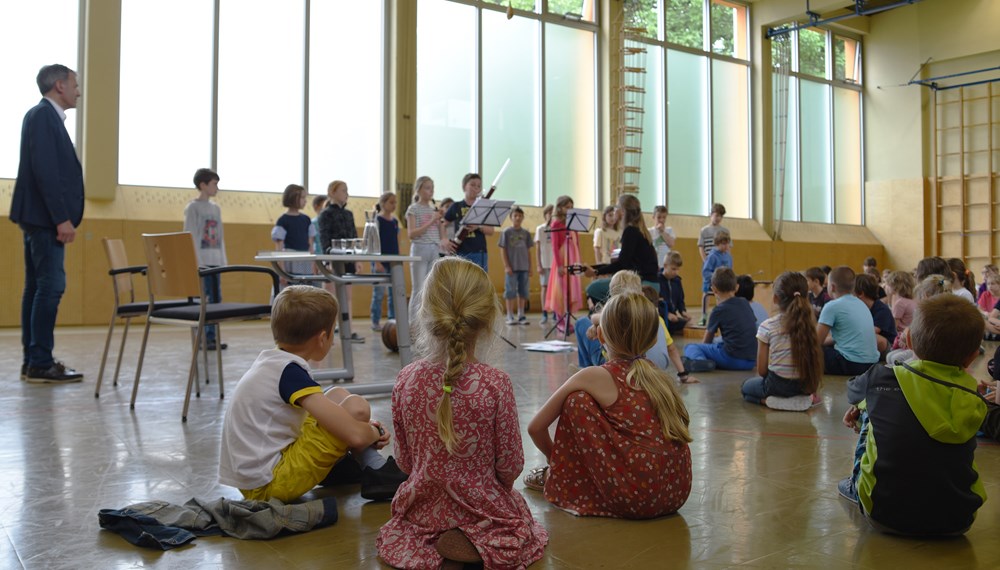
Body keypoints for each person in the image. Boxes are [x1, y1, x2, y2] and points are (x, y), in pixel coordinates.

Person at [376, 258, 548, 569]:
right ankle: (472, 534)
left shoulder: (406, 379)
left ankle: (441, 534)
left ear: (426, 313)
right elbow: (510, 466)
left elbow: (404, 462)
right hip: (483, 508)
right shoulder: (496, 384)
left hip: (422, 508)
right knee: (519, 525)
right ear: (487, 318)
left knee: (414, 520)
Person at [219, 286, 406, 504]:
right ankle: (376, 471)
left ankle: (343, 467)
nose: (333, 341)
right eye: (333, 333)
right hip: (269, 484)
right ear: (322, 338)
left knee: (337, 395)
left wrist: (364, 431)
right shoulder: (289, 373)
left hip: (257, 477)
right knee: (357, 407)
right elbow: (356, 434)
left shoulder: (274, 362)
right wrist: (375, 432)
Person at [525, 292, 693, 519]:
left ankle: (560, 475)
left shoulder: (594, 375)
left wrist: (557, 462)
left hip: (634, 499)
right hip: (676, 492)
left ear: (601, 336)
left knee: (577, 401)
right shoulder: (658, 377)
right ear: (654, 340)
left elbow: (535, 428)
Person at [838, 295, 987, 536]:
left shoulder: (880, 378)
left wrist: (863, 406)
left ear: (908, 341)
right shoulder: (973, 395)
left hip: (883, 514)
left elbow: (852, 391)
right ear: (972, 356)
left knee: (870, 409)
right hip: (958, 520)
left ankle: (856, 486)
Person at [11, 64, 84, 383]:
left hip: (39, 218)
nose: (78, 90)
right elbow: (46, 171)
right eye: (75, 84)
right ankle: (40, 361)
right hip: (45, 220)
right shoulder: (43, 116)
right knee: (50, 287)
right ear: (59, 86)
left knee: (37, 288)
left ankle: (34, 360)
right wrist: (61, 218)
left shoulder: (45, 117)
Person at [741, 272, 823, 412]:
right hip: (805, 386)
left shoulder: (767, 326)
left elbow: (762, 370)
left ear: (775, 298)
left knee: (745, 388)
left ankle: (768, 401)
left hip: (777, 385)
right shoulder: (810, 326)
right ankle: (803, 398)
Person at [584, 193, 659, 301]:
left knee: (593, 288)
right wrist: (595, 268)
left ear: (622, 211)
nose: (614, 210)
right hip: (649, 281)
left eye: (616, 207)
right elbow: (624, 262)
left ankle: (613, 315)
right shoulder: (638, 230)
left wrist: (596, 272)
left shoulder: (630, 231)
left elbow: (622, 264)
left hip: (642, 283)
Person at [184, 168, 227, 350]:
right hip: (202, 261)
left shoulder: (215, 208)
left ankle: (213, 337)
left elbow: (220, 237)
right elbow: (191, 234)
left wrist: (223, 259)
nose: (217, 187)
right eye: (214, 184)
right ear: (203, 185)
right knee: (206, 299)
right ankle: (204, 338)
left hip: (215, 260)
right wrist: (196, 261)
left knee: (217, 299)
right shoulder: (192, 208)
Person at [683, 267, 757, 372]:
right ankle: (707, 360)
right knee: (717, 345)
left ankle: (700, 360)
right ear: (737, 287)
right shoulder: (745, 302)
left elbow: (706, 341)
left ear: (713, 289)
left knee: (691, 347)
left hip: (733, 359)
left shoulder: (718, 310)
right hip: (751, 361)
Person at [317, 180, 363, 343]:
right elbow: (324, 238)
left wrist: (357, 259)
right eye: (343, 190)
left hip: (348, 258)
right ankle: (325, 331)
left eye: (347, 190)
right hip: (332, 259)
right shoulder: (325, 214)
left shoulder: (349, 214)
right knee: (328, 298)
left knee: (347, 296)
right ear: (333, 192)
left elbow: (353, 236)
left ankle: (348, 330)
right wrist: (328, 259)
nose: (346, 194)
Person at [816, 266, 879, 376]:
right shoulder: (861, 304)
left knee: (806, 351)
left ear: (832, 287)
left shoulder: (832, 306)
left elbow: (816, 342)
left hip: (851, 363)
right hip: (871, 364)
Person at [404, 176, 443, 312]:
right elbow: (412, 233)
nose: (431, 191)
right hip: (420, 248)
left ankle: (427, 322)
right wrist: (432, 221)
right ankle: (412, 324)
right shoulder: (413, 209)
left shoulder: (434, 209)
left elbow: (439, 232)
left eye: (432, 188)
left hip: (434, 248)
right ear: (418, 190)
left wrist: (440, 222)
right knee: (419, 288)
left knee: (431, 288)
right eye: (427, 188)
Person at [545, 195, 582, 334]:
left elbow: (576, 243)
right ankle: (560, 320)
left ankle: (568, 320)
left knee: (571, 289)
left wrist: (578, 261)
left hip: (572, 258)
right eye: (567, 207)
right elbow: (555, 246)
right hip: (561, 259)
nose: (570, 210)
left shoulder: (574, 223)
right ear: (560, 207)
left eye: (571, 207)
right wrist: (560, 265)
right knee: (560, 290)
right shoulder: (556, 224)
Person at [443, 173, 493, 270]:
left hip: (479, 252)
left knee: (480, 283)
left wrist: (478, 226)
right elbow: (443, 223)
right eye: (472, 184)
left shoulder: (483, 208)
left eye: (479, 186)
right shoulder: (456, 206)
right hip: (460, 252)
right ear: (464, 187)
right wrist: (444, 239)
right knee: (461, 283)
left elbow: (491, 230)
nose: (476, 188)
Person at [271, 184, 316, 289]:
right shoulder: (283, 220)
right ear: (292, 198)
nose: (305, 201)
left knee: (305, 289)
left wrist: (314, 264)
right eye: (302, 198)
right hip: (289, 260)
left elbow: (311, 245)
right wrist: (281, 270)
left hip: (305, 261)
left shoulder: (306, 220)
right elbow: (279, 247)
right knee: (289, 289)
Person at [499, 206, 533, 325]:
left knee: (523, 291)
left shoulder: (526, 233)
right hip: (511, 268)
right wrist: (506, 266)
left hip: (524, 267)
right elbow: (502, 250)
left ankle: (521, 314)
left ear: (523, 217)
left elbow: (528, 251)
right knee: (510, 291)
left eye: (520, 215)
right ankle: (509, 315)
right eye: (515, 215)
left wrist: (530, 267)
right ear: (511, 217)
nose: (518, 218)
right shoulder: (506, 232)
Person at [370, 192, 399, 331]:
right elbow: (374, 242)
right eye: (391, 202)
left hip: (393, 261)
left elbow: (395, 241)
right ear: (383, 203)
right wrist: (376, 261)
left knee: (393, 293)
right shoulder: (377, 220)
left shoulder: (394, 221)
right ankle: (375, 321)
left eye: (395, 203)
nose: (394, 205)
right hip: (380, 261)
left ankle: (391, 320)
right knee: (379, 293)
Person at [855, 273, 897, 355]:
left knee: (871, 336)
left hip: (890, 347)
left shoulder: (882, 309)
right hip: (870, 346)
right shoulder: (861, 308)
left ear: (860, 293)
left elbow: (872, 331)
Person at [699, 230, 733, 325]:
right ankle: (704, 315)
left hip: (724, 284)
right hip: (711, 283)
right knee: (708, 295)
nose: (726, 246)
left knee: (727, 294)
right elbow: (705, 272)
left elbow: (730, 270)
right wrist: (716, 278)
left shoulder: (728, 257)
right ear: (717, 244)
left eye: (727, 244)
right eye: (723, 244)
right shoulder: (712, 256)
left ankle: (723, 314)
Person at [660, 251, 690, 336]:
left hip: (673, 318)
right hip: (662, 317)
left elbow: (680, 300)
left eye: (678, 269)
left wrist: (683, 311)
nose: (676, 272)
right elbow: (656, 303)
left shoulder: (677, 281)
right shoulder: (658, 281)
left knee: (688, 324)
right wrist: (667, 314)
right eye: (673, 269)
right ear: (665, 266)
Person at [535, 204, 555, 325]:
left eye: (553, 213)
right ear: (545, 215)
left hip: (555, 264)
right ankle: (544, 313)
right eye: (549, 213)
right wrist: (538, 264)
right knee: (545, 287)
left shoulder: (557, 228)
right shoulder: (540, 229)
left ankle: (555, 313)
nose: (551, 216)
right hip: (545, 262)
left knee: (555, 289)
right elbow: (537, 248)